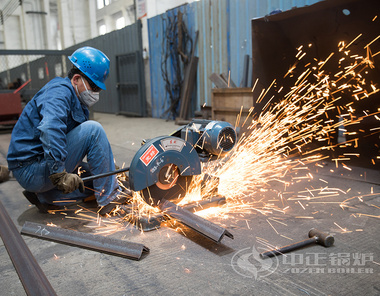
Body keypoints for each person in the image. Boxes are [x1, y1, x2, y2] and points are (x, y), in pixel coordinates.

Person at [7, 46, 126, 215]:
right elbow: (50, 128)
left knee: (97, 179)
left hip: (40, 166)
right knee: (93, 129)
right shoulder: (58, 92)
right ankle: (109, 201)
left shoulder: (75, 99)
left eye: (97, 89)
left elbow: (76, 142)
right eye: (93, 87)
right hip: (31, 169)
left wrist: (105, 167)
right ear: (76, 78)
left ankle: (46, 197)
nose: (95, 93)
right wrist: (59, 173)